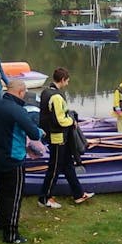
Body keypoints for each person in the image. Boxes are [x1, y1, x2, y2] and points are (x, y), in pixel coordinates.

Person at [0, 80, 45, 244]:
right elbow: (34, 134)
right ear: (20, 92)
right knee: (14, 197)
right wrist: (41, 132)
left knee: (3, 192)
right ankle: (11, 234)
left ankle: (0, 221)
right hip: (13, 159)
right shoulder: (18, 111)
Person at [38, 67, 94, 209]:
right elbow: (60, 120)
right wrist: (72, 121)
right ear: (62, 80)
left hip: (58, 136)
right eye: (67, 81)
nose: (67, 84)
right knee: (55, 168)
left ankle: (78, 194)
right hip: (58, 137)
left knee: (68, 165)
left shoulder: (46, 91)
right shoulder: (56, 96)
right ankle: (44, 198)